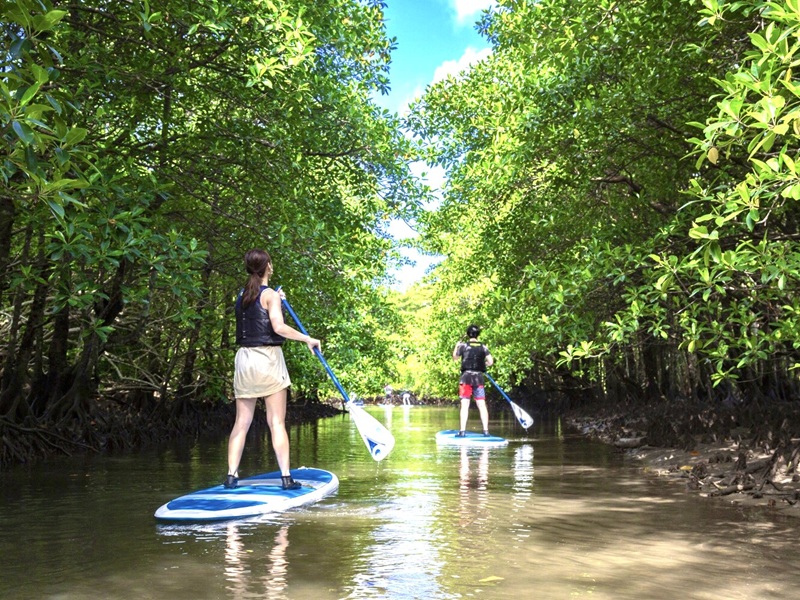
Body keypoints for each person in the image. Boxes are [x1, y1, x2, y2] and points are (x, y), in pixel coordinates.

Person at [226, 249, 321, 490]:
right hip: (268, 359)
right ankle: (286, 478)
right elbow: (278, 327)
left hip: (244, 360)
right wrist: (307, 338)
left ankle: (231, 476)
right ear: (268, 266)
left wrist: (276, 297)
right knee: (276, 422)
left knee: (241, 422)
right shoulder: (270, 296)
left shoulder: (242, 295)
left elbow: (260, 307)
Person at [452, 324, 494, 437]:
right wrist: (483, 364)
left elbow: (455, 358)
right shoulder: (483, 347)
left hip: (466, 378)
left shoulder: (463, 346)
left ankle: (462, 432)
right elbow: (490, 362)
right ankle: (486, 431)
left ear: (468, 334)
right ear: (478, 334)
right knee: (481, 404)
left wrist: (456, 346)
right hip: (478, 378)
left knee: (464, 404)